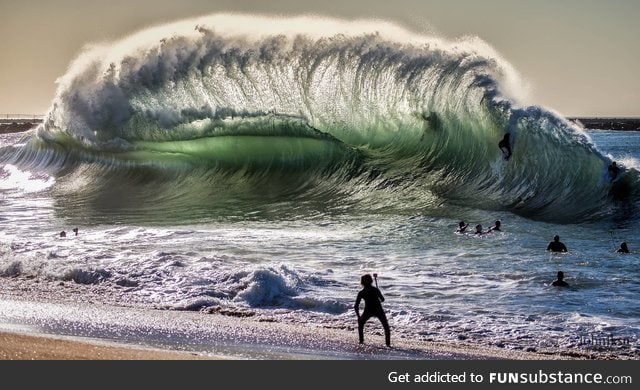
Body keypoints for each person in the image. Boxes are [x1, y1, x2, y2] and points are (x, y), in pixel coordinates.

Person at [354, 273, 391, 347]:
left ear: (362, 282)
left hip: (368, 310)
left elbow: (356, 306)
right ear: (371, 281)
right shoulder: (375, 290)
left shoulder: (361, 292)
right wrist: (378, 296)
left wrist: (358, 317)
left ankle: (361, 342)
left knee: (361, 324)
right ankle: (388, 344)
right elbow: (382, 299)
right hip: (378, 309)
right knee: (386, 327)